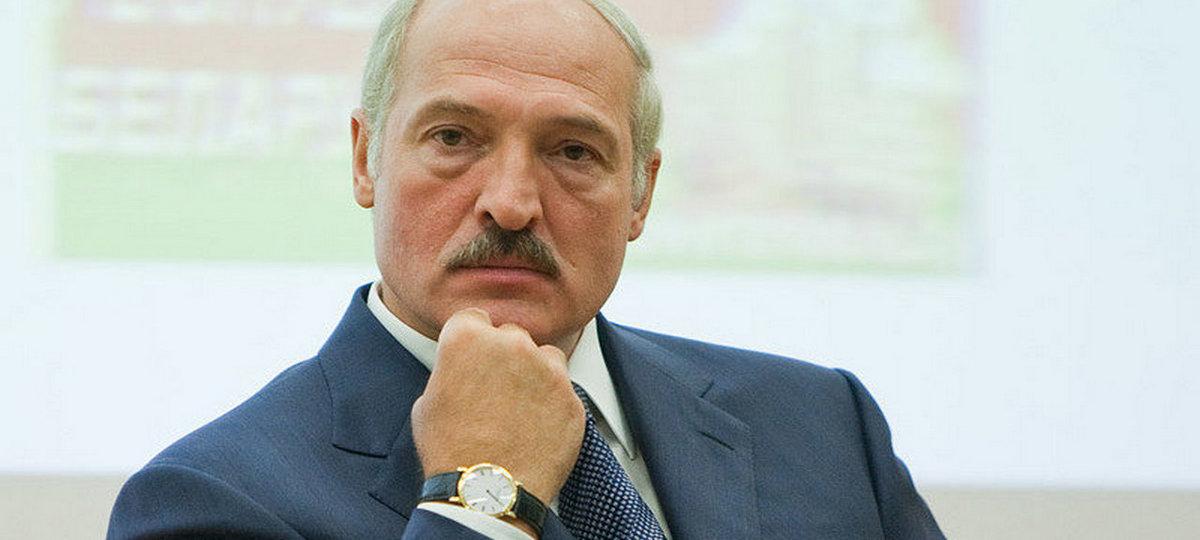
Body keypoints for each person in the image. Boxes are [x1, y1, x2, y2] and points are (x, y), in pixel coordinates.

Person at [108, 0, 944, 538]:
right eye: (453, 138)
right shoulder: (212, 499)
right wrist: (485, 497)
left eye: (573, 151)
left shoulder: (823, 426)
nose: (510, 204)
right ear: (366, 161)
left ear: (641, 195)